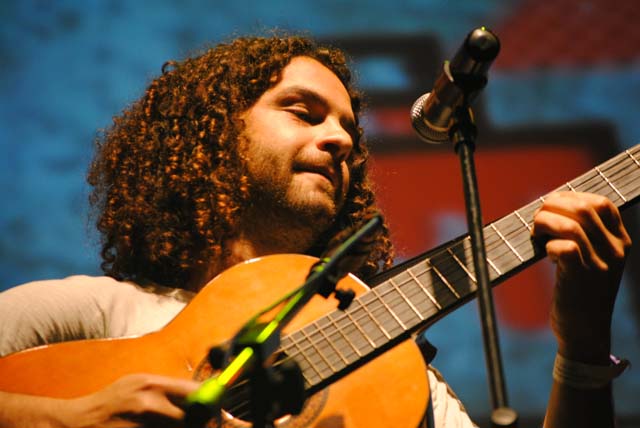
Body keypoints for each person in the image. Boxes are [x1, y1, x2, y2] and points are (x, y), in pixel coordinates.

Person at [0, 34, 631, 428]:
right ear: (212, 134)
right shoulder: (94, 314)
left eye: (349, 132)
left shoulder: (398, 375)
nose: (340, 140)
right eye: (304, 113)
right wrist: (74, 417)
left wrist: (581, 348)